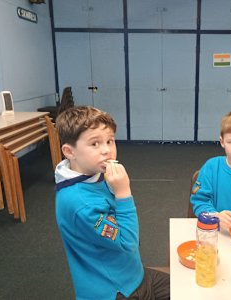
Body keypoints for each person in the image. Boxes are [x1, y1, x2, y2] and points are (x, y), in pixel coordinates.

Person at [54, 106, 169, 300]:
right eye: (95, 144)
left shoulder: (92, 172)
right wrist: (123, 192)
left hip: (133, 274)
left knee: (189, 288)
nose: (107, 150)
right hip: (115, 290)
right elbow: (129, 242)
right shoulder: (81, 203)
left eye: (110, 141)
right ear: (69, 152)